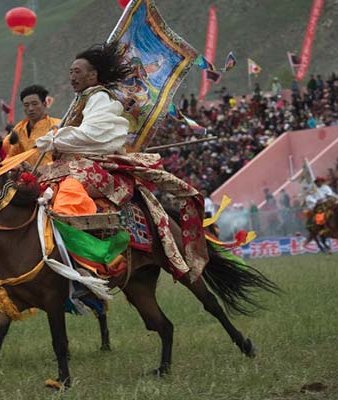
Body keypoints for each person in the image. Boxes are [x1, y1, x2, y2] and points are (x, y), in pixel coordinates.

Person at [35, 42, 208, 282]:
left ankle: (93, 262)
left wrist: (56, 139)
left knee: (66, 199)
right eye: (70, 72)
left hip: (98, 169)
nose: (72, 76)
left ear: (93, 75)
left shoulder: (99, 98)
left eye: (77, 71)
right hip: (81, 164)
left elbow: (95, 135)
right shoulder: (84, 99)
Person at [2, 84, 61, 166]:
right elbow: (12, 157)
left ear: (44, 104)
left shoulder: (58, 125)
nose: (30, 109)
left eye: (35, 104)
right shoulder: (18, 130)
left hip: (54, 176)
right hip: (27, 176)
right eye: (26, 105)